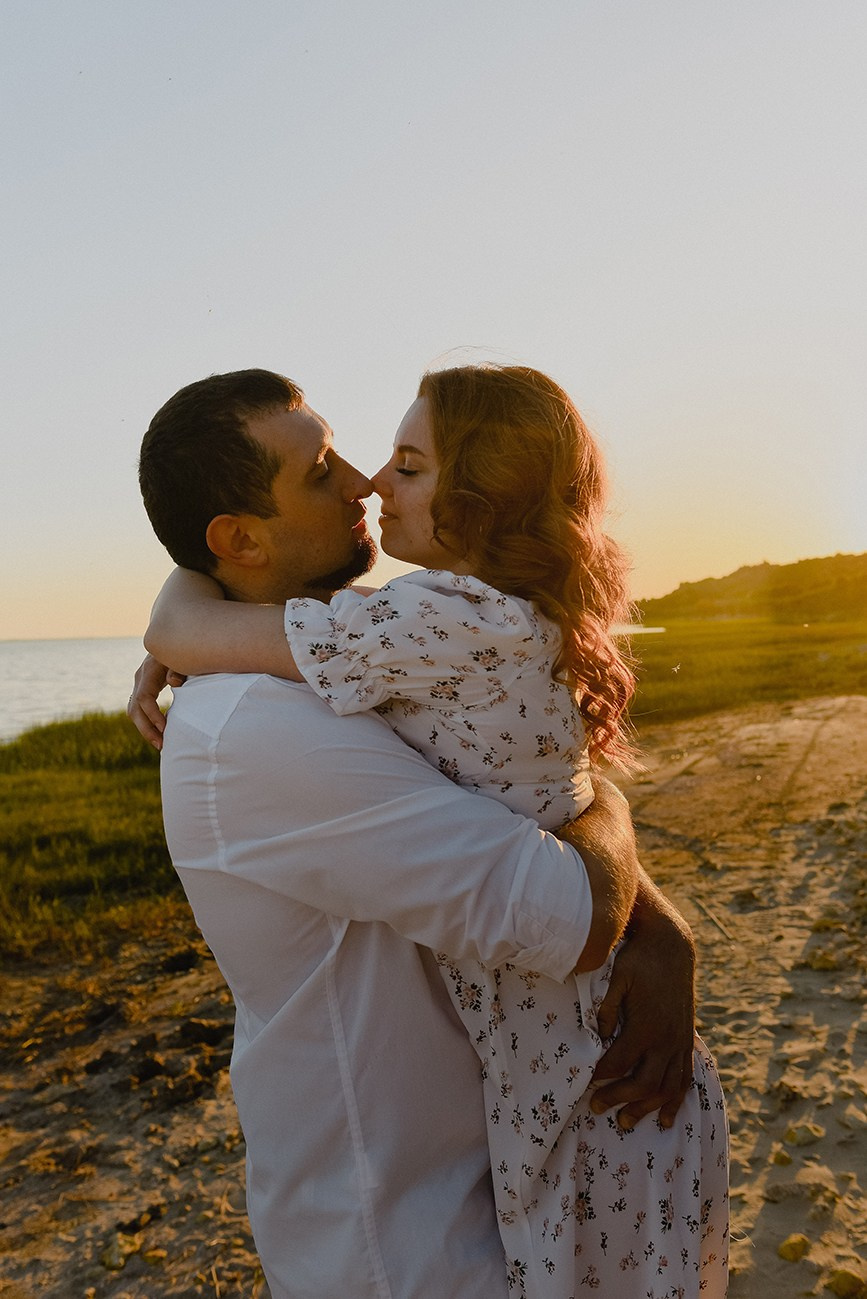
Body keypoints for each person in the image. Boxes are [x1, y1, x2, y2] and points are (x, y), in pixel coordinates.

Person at [130, 367, 722, 1299]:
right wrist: (619, 849)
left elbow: (520, 791)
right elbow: (568, 916)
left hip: (489, 1188)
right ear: (239, 538)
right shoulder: (255, 727)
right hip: (402, 1246)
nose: (362, 482)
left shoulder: (361, 660)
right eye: (321, 472)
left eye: (388, 463)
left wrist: (657, 918)